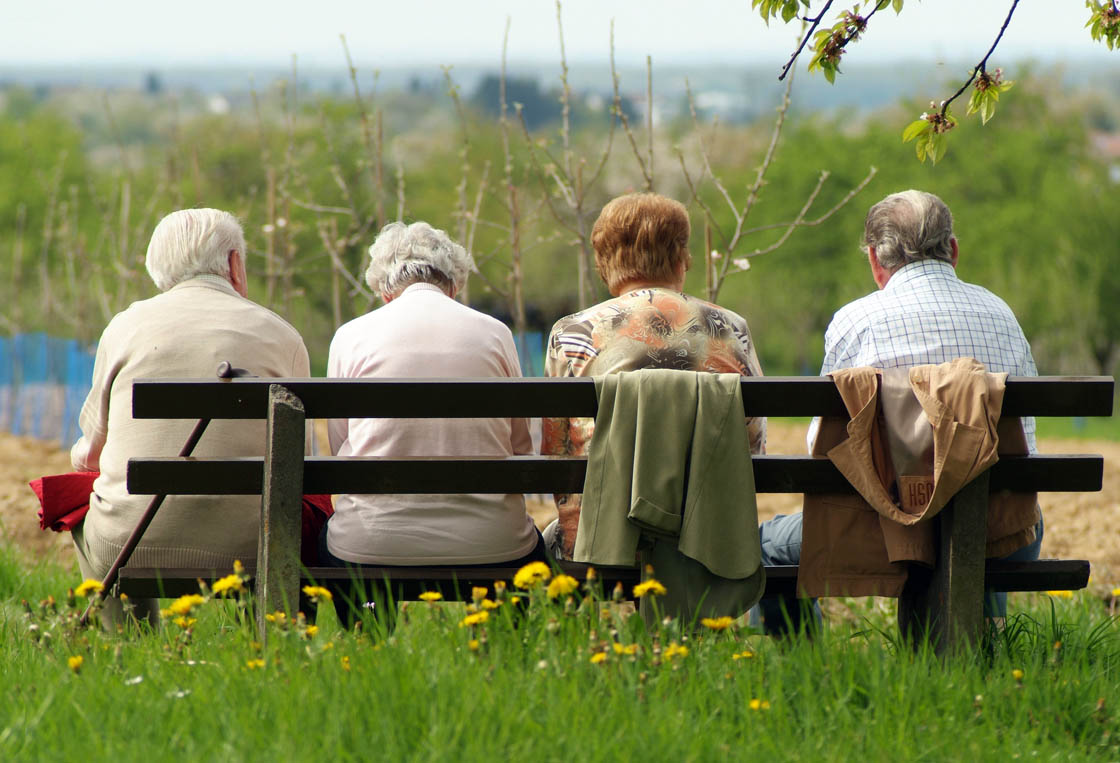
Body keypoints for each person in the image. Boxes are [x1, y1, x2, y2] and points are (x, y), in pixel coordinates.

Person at [759, 189, 1041, 623]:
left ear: (875, 260)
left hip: (882, 533)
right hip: (999, 529)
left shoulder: (856, 321)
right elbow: (1027, 443)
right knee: (982, 511)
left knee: (767, 547)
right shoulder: (1001, 314)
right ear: (953, 250)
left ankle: (804, 666)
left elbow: (821, 442)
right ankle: (979, 654)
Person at [71, 208, 311, 626]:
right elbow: (300, 466)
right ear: (235, 263)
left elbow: (91, 457)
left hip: (133, 542)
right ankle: (266, 636)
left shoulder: (125, 327)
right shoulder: (281, 334)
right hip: (256, 546)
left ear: (157, 270)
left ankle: (130, 644)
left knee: (77, 502)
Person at [542, 192, 766, 558]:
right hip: (710, 537)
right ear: (681, 258)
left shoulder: (573, 333)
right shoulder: (729, 328)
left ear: (605, 261)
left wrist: (575, 534)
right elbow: (753, 441)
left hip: (604, 539)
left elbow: (557, 453)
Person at [320, 221, 542, 579]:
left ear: (384, 292)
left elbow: (340, 445)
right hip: (493, 544)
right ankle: (499, 636)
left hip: (370, 546)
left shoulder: (350, 336)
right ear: (453, 286)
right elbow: (520, 448)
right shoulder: (495, 333)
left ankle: (370, 631)